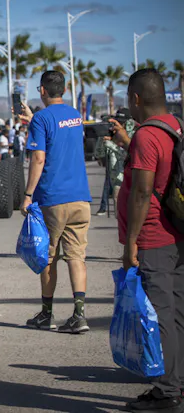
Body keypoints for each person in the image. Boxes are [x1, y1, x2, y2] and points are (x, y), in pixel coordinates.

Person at [116, 69, 184, 412]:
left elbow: (142, 192)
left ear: (136, 99)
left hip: (155, 237)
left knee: (160, 315)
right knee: (178, 313)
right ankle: (178, 383)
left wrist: (131, 243)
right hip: (177, 233)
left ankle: (168, 393)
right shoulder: (175, 126)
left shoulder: (146, 135)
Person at [21, 71, 92, 334]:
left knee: (48, 258)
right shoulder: (75, 116)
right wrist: (33, 120)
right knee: (76, 256)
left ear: (42, 90)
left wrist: (28, 195)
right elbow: (62, 136)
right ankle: (79, 315)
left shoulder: (41, 118)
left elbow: (39, 158)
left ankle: (47, 313)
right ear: (63, 89)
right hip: (80, 198)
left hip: (52, 198)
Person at [94, 109, 136, 216]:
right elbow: (99, 154)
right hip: (116, 181)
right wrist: (101, 139)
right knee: (120, 218)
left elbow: (130, 154)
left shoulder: (134, 134)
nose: (121, 124)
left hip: (132, 181)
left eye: (123, 122)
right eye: (119, 121)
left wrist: (112, 145)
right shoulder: (113, 133)